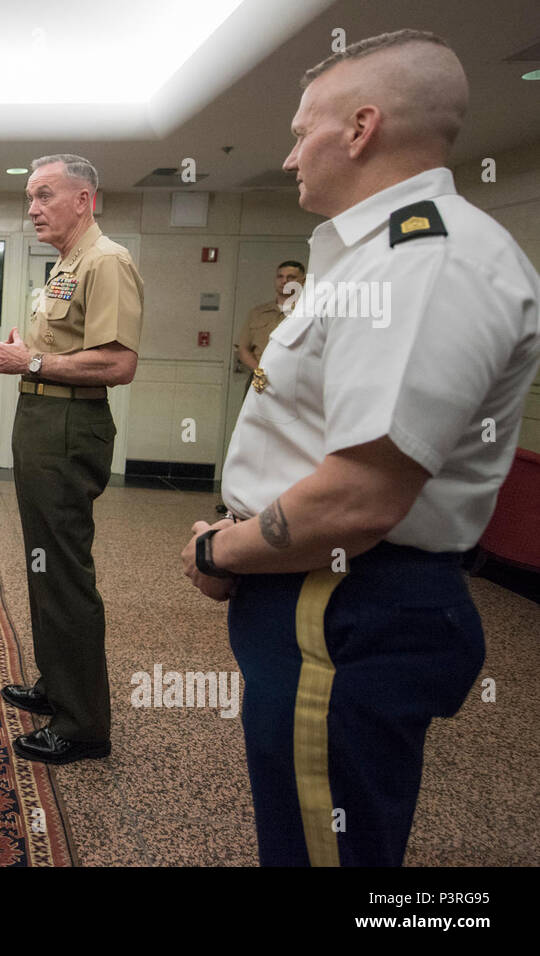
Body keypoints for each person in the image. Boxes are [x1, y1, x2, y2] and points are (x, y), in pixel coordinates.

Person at [181, 29, 540, 866]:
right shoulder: (370, 255)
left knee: (325, 854)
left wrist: (219, 551)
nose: (291, 151)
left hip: (340, 600)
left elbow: (359, 499)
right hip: (319, 593)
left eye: (304, 127)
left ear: (361, 127)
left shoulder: (425, 260)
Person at [0, 153, 143, 764]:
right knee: (43, 562)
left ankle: (84, 725)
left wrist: (31, 363)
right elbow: (64, 346)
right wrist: (29, 350)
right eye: (30, 198)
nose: (33, 208)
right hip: (42, 417)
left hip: (69, 423)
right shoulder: (66, 264)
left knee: (64, 570)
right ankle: (57, 687)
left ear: (84, 200)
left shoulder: (107, 260)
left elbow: (118, 363)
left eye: (45, 196)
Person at [234, 261, 305, 394]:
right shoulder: (257, 313)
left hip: (294, 381)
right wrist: (259, 372)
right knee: (253, 415)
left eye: (291, 277)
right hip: (259, 379)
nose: (284, 281)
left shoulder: (308, 314)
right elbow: (243, 348)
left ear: (302, 281)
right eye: (280, 277)